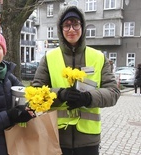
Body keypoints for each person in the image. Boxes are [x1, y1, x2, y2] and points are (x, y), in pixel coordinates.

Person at [32, 6, 121, 155]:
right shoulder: (49, 58)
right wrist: (60, 95)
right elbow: (35, 92)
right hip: (57, 137)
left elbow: (113, 92)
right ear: (61, 29)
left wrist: (88, 98)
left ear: (82, 26)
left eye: (75, 24)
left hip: (88, 140)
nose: (71, 29)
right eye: (66, 25)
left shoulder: (98, 57)